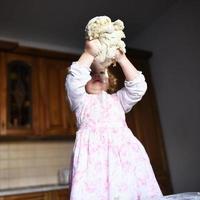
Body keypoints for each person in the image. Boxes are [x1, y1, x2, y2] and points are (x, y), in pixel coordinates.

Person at [65, 39, 163, 200]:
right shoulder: (80, 101)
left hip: (126, 158)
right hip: (93, 163)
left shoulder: (118, 100)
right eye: (91, 73)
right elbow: (73, 80)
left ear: (110, 81)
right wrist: (88, 54)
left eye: (101, 72)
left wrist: (122, 59)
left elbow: (138, 87)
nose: (96, 75)